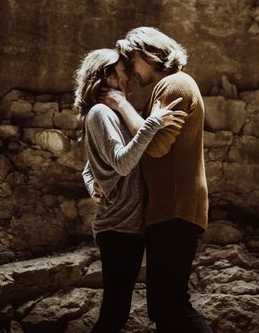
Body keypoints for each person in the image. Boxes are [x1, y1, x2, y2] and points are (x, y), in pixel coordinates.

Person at [102, 27, 212, 333]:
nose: (131, 72)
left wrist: (122, 106)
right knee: (165, 309)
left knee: (171, 306)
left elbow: (157, 146)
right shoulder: (168, 87)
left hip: (175, 208)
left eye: (130, 62)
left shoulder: (174, 84)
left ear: (144, 54)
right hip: (170, 209)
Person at [74, 47, 187, 333]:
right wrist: (153, 123)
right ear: (107, 76)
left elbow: (92, 164)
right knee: (115, 313)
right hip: (118, 228)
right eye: (124, 71)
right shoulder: (100, 113)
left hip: (130, 227)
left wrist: (94, 182)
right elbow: (123, 163)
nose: (130, 77)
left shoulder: (112, 113)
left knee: (117, 311)